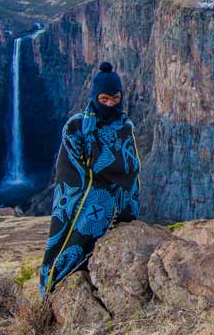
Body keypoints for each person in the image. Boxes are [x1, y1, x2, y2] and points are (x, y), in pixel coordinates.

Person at [40, 62, 141, 296]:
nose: (109, 104)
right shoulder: (76, 127)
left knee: (104, 212)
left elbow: (132, 168)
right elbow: (69, 170)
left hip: (116, 203)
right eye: (104, 99)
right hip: (84, 201)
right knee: (74, 234)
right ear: (95, 96)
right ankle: (55, 285)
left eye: (115, 99)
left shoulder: (125, 126)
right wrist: (99, 187)